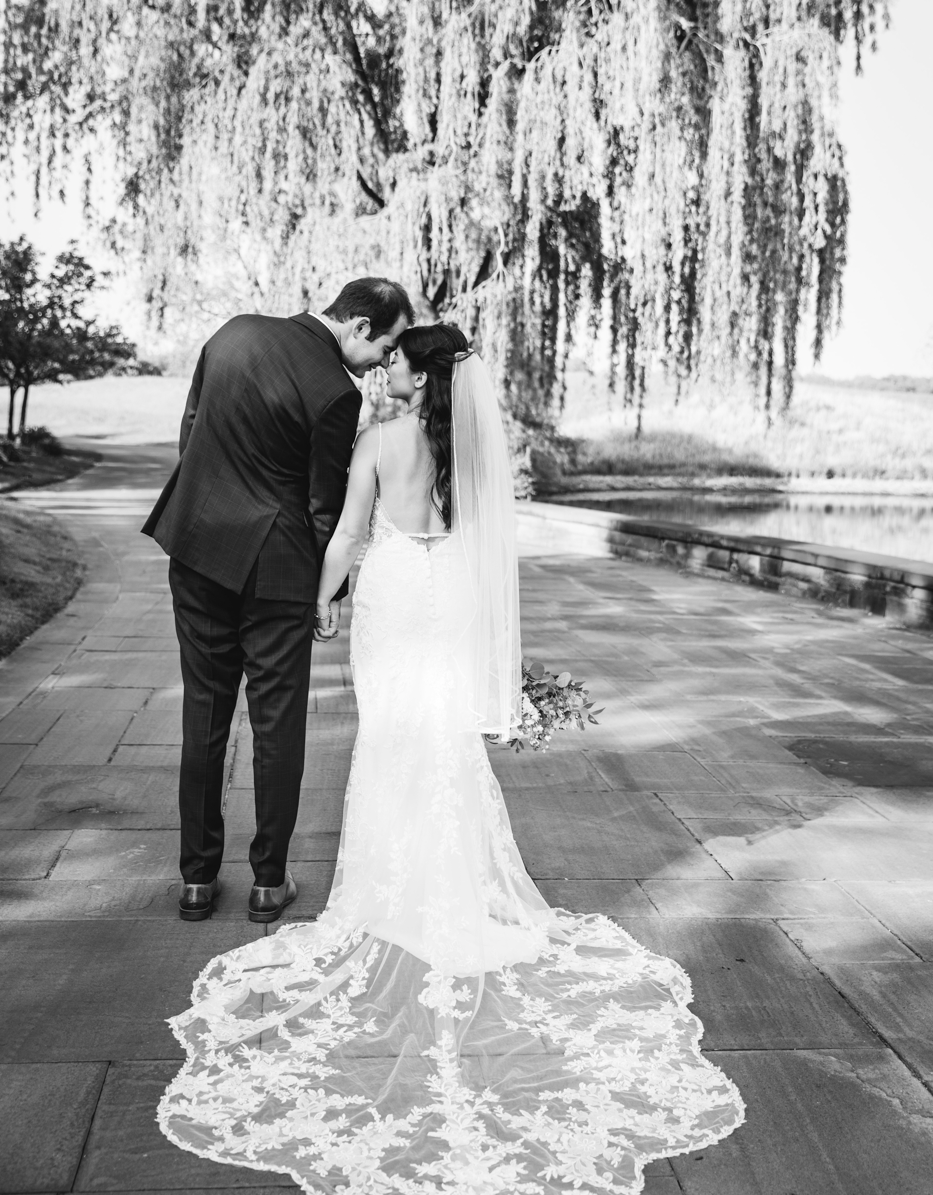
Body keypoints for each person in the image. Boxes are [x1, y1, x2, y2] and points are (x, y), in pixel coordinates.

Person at [158, 324, 744, 1193]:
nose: (382, 368)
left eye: (394, 361)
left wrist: (321, 601)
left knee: (392, 738)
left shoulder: (380, 440)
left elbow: (350, 534)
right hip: (446, 600)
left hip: (393, 600)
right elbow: (482, 546)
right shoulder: (470, 450)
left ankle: (390, 889)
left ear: (418, 375)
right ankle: (459, 885)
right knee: (440, 743)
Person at [142, 278, 414, 925]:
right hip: (279, 572)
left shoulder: (231, 332)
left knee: (203, 717)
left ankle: (197, 881)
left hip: (199, 549)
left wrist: (212, 507)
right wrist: (331, 591)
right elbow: (325, 506)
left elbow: (191, 430)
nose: (383, 360)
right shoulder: (334, 395)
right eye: (386, 344)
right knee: (276, 725)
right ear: (356, 325)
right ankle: (268, 882)